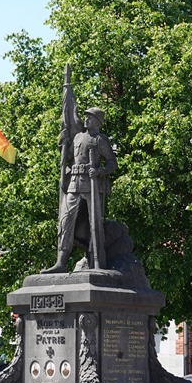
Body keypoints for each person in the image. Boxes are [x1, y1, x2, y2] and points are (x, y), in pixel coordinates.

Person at [42, 107, 117, 273]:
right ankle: (61, 262)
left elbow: (112, 163)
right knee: (65, 221)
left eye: (90, 118)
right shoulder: (77, 137)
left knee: (95, 223)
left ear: (97, 122)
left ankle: (98, 262)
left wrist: (99, 171)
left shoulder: (100, 140)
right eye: (85, 117)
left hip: (92, 185)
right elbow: (69, 158)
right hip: (74, 184)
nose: (86, 120)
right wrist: (63, 143)